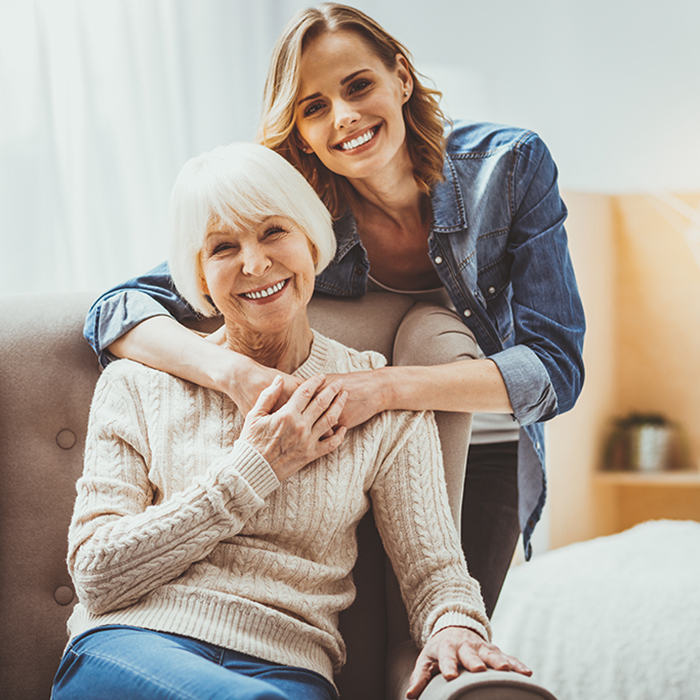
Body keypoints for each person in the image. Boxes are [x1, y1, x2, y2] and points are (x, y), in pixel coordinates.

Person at [83, 3, 586, 616]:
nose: (344, 118)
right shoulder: (295, 211)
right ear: (299, 132)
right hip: (354, 449)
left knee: (452, 633)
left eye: (358, 86)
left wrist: (382, 388)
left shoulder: (509, 168)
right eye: (314, 106)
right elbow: (117, 308)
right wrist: (237, 375)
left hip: (487, 443)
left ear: (401, 77)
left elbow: (554, 370)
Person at [51, 143, 531, 700]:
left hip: (288, 671)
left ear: (313, 244)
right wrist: (255, 468)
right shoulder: (136, 382)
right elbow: (96, 573)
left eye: (274, 232)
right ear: (200, 276)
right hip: (134, 646)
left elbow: (437, 574)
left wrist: (456, 626)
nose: (254, 263)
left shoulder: (373, 395)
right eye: (223, 247)